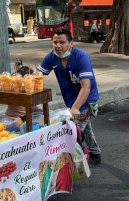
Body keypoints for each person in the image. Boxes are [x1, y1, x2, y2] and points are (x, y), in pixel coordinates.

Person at [37, 28, 101, 165]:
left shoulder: (81, 57)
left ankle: (74, 165)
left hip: (86, 100)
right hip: (71, 100)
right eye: (55, 42)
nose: (58, 46)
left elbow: (86, 87)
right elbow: (37, 75)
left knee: (72, 133)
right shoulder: (51, 57)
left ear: (71, 43)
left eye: (62, 42)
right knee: (84, 127)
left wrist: (76, 108)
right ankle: (95, 152)